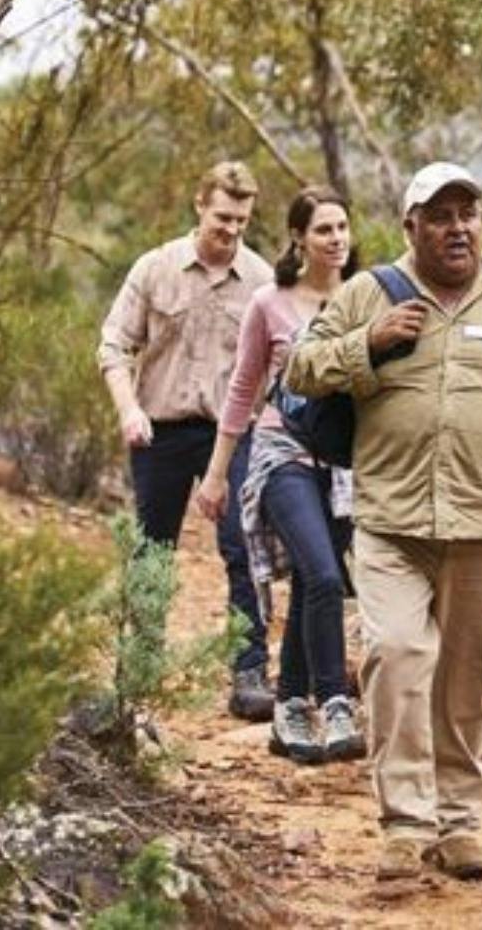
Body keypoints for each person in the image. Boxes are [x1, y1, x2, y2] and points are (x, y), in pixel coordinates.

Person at [285, 162, 482, 883]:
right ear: (411, 227)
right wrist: (368, 343)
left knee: (468, 683)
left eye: (470, 213)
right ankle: (404, 824)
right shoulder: (367, 291)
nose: (459, 227)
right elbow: (299, 370)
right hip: (391, 523)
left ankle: (459, 825)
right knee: (395, 658)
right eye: (441, 215)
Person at [193, 185, 365, 766]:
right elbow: (243, 388)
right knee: (320, 575)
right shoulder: (271, 302)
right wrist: (217, 474)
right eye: (324, 230)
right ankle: (335, 702)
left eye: (343, 228)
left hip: (342, 464)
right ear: (299, 237)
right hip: (280, 451)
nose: (337, 239)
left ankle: (289, 707)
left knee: (316, 584)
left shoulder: (366, 298)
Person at [97, 159, 275, 720]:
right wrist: (129, 409)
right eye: (223, 217)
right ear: (200, 204)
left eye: (242, 221)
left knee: (243, 548)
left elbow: (279, 366)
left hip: (234, 433)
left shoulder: (262, 282)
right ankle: (138, 670)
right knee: (152, 551)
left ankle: (249, 672)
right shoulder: (155, 269)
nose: (231, 230)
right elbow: (113, 347)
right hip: (160, 431)